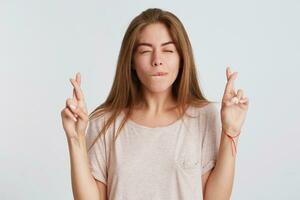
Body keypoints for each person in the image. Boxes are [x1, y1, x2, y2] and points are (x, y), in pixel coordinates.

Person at [61, 8, 249, 200]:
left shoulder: (204, 116)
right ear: (131, 60)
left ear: (182, 58)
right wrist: (75, 139)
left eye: (168, 50)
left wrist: (230, 131)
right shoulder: (104, 122)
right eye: (145, 51)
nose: (157, 60)